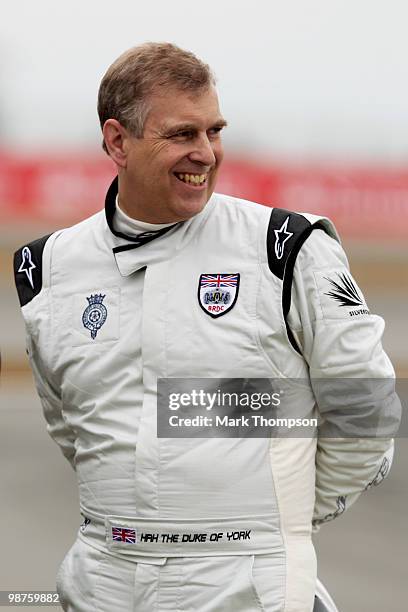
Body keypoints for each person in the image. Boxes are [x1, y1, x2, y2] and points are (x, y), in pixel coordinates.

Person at [14, 42, 398, 612]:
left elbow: (365, 408)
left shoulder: (285, 247)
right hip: (101, 579)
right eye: (182, 134)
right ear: (118, 141)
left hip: (247, 585)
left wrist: (278, 521)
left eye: (213, 131)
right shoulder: (47, 267)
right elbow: (75, 421)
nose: (206, 153)